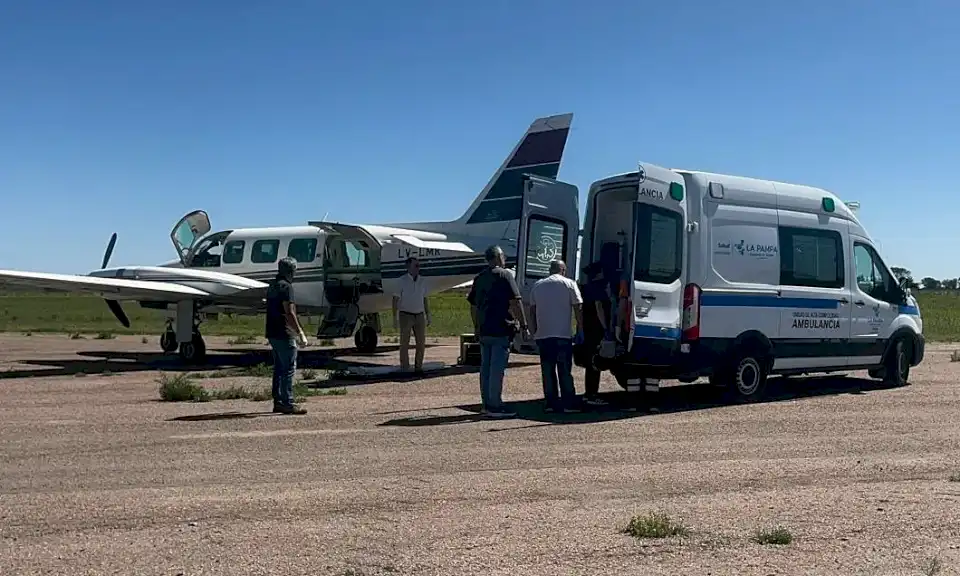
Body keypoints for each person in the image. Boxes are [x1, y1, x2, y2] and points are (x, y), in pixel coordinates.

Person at [466, 245, 529, 418]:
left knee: (485, 368)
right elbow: (516, 301)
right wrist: (524, 325)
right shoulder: (505, 275)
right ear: (498, 257)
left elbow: (473, 305)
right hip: (501, 327)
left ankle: (486, 403)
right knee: (497, 369)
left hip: (485, 328)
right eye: (503, 256)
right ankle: (495, 405)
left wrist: (476, 326)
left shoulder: (479, 278)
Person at [529, 259, 583, 413]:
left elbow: (532, 311)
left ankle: (551, 403)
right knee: (565, 370)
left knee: (547, 371)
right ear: (563, 270)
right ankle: (568, 403)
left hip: (543, 334)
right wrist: (580, 328)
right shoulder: (569, 284)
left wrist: (534, 331)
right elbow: (578, 306)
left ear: (549, 271)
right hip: (562, 334)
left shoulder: (538, 285)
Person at [265, 257, 309, 415]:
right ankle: (287, 402)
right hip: (284, 332)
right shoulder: (286, 287)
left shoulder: (272, 285)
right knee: (288, 368)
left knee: (278, 368)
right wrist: (300, 332)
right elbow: (289, 312)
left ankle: (278, 401)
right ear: (291, 271)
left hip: (272, 331)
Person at [579, 261, 612, 407]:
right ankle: (592, 394)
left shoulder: (585, 288)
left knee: (589, 363)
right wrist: (605, 327)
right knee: (595, 363)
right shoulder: (599, 288)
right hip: (596, 329)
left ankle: (589, 393)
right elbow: (599, 307)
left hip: (587, 328)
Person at [392, 256, 430, 373]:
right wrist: (395, 317)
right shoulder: (401, 281)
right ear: (408, 267)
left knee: (421, 342)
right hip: (405, 314)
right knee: (404, 343)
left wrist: (428, 315)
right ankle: (405, 367)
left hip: (419, 315)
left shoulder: (422, 281)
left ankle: (418, 367)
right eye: (416, 266)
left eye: (419, 266)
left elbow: (424, 299)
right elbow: (395, 299)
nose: (418, 268)